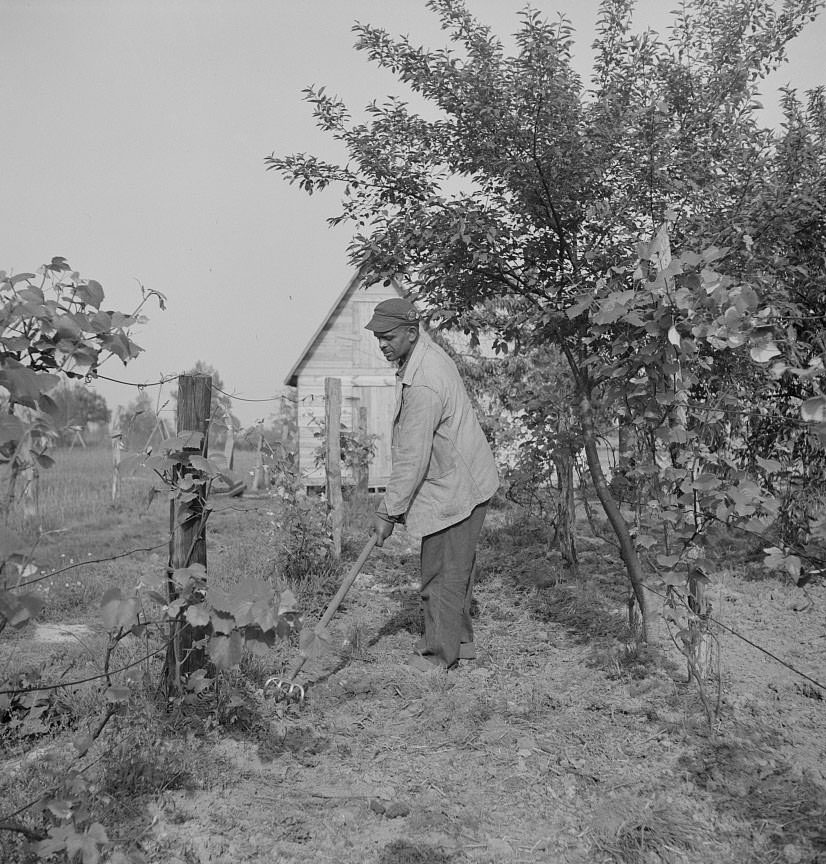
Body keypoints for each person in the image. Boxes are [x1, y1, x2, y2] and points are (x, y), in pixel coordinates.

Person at [365, 297, 498, 670]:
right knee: (454, 570)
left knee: (440, 575)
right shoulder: (423, 357)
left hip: (458, 484)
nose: (383, 345)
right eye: (378, 338)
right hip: (461, 478)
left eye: (388, 337)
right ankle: (461, 644)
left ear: (411, 332)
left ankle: (439, 656)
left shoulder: (424, 381)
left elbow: (412, 457)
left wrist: (388, 512)